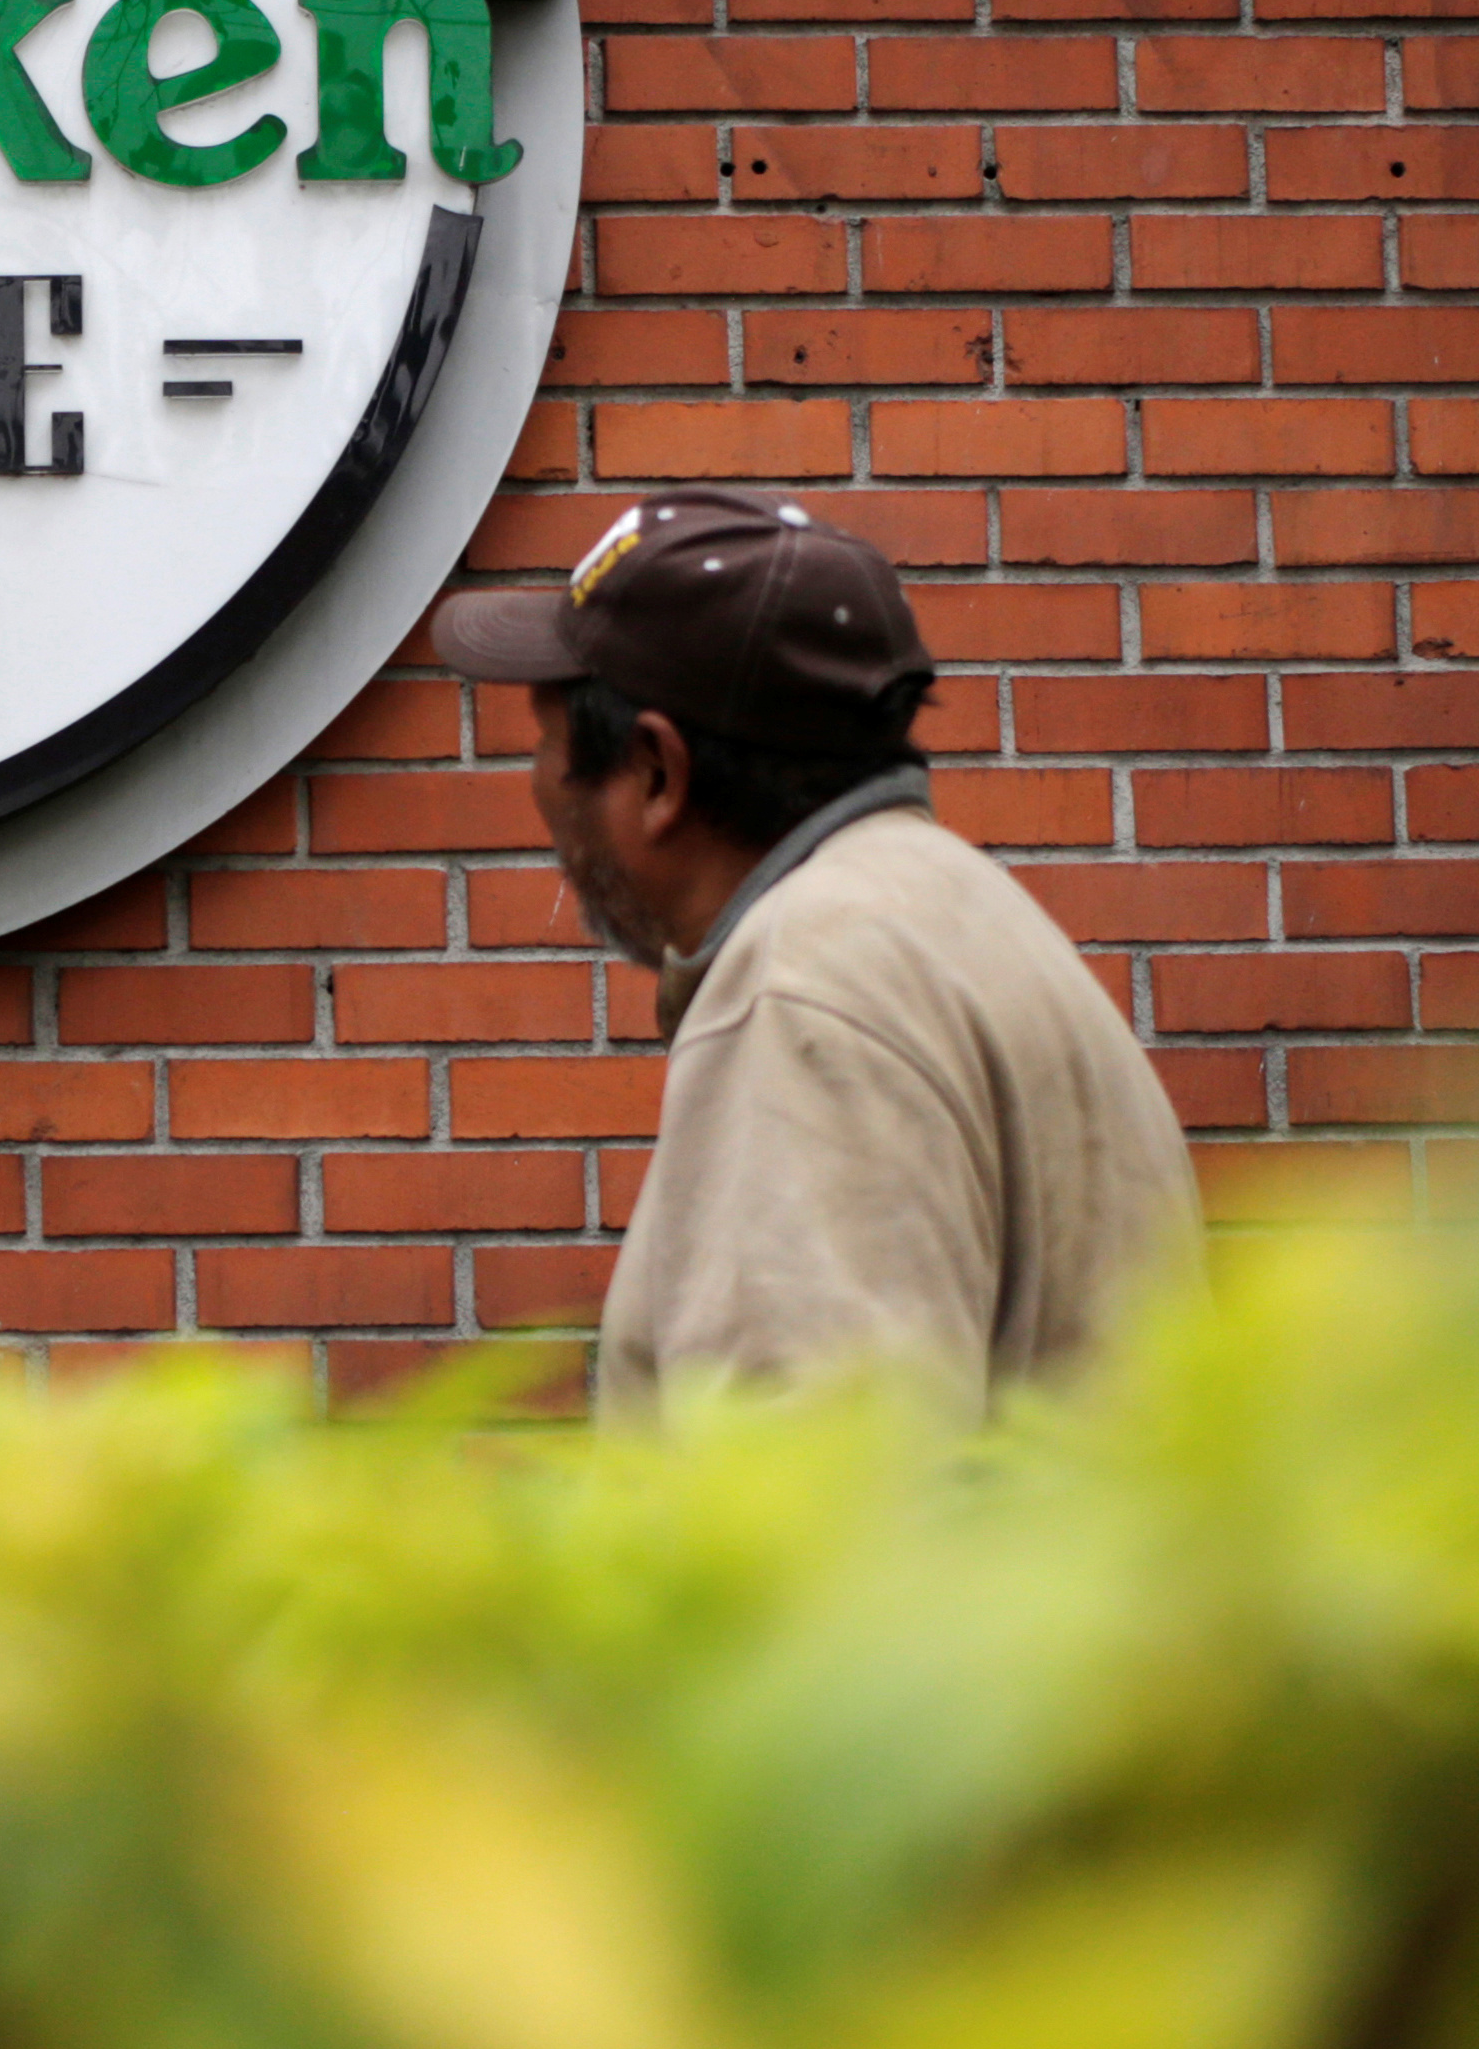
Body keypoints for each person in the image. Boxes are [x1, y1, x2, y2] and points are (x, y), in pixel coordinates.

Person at [428, 485, 1198, 1421]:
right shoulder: (959, 913)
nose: (538, 785)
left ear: (657, 772)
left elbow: (813, 1510)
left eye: (546, 742)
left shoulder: (802, 994)